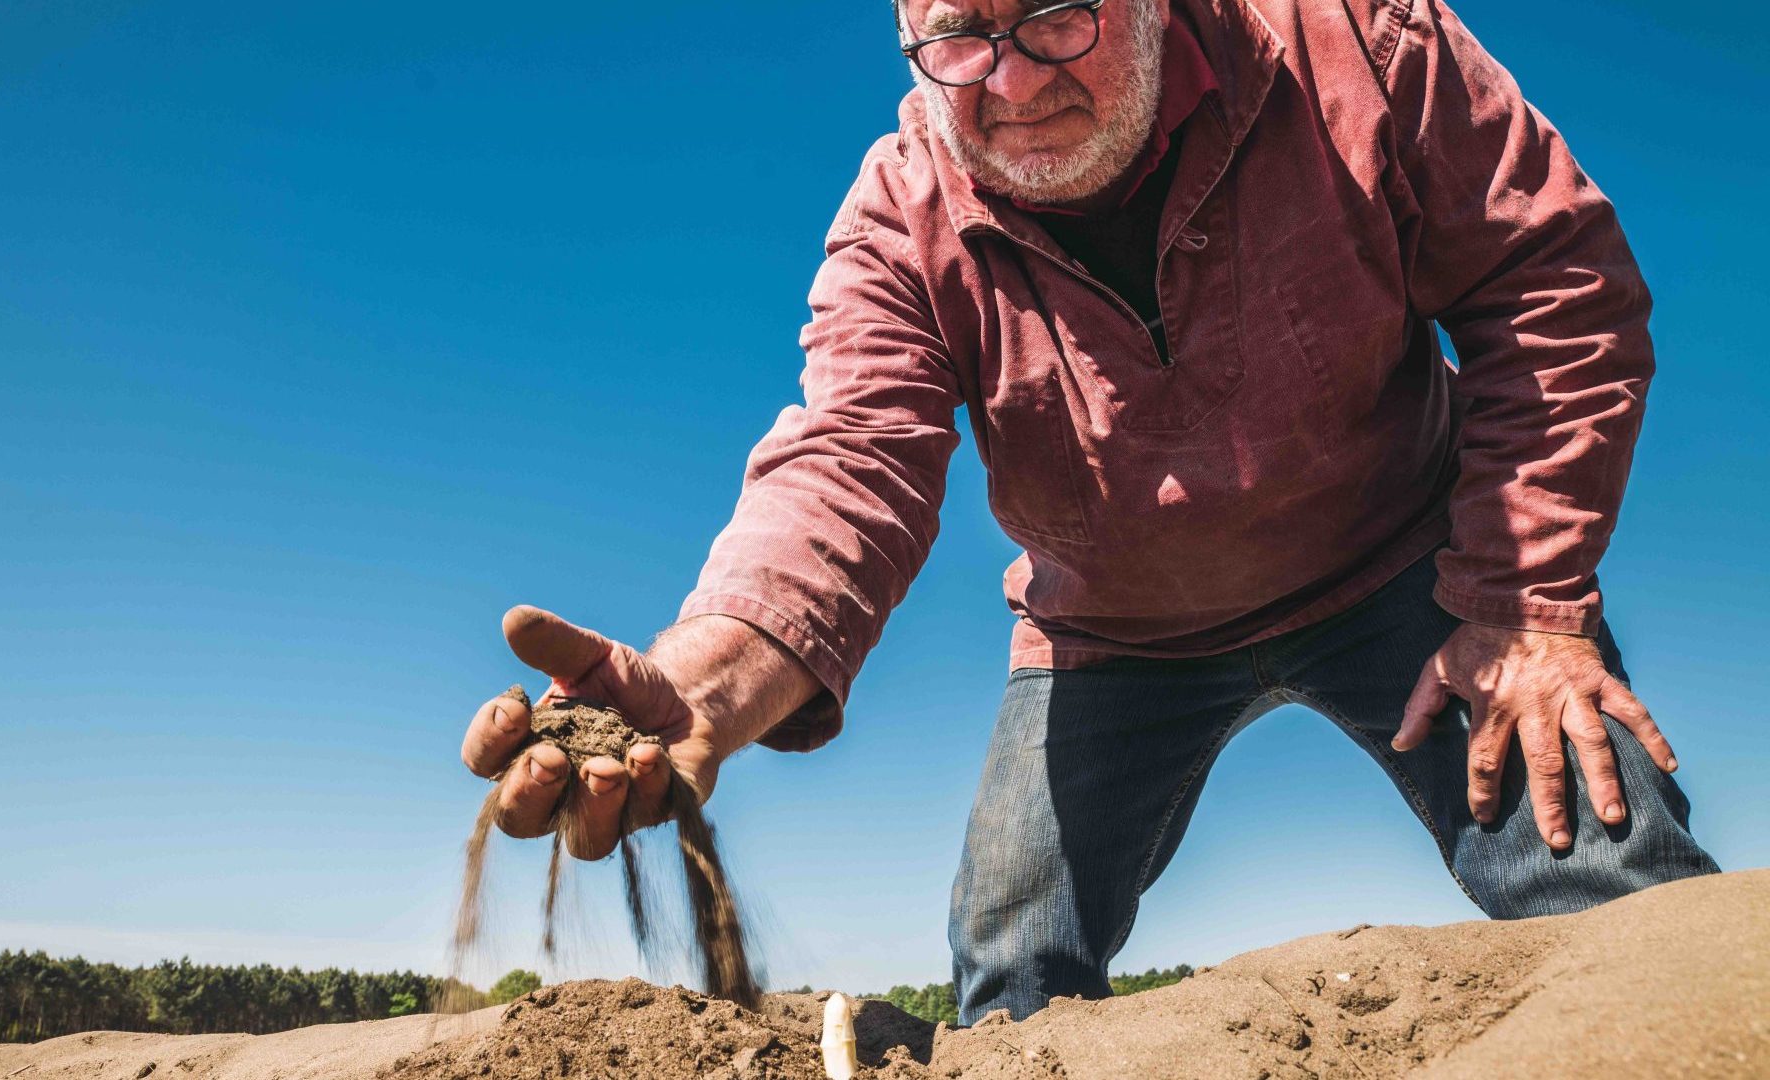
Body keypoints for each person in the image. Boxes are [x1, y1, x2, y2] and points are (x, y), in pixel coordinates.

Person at [461, 0, 1720, 1024]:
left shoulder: (1357, 43)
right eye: (960, 41)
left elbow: (1551, 285)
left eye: (1059, 18)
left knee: (1603, 873)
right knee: (1011, 968)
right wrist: (704, 684)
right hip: (1112, 631)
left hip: (1422, 568)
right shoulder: (900, 215)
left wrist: (1523, 597)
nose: (1010, 84)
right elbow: (849, 462)